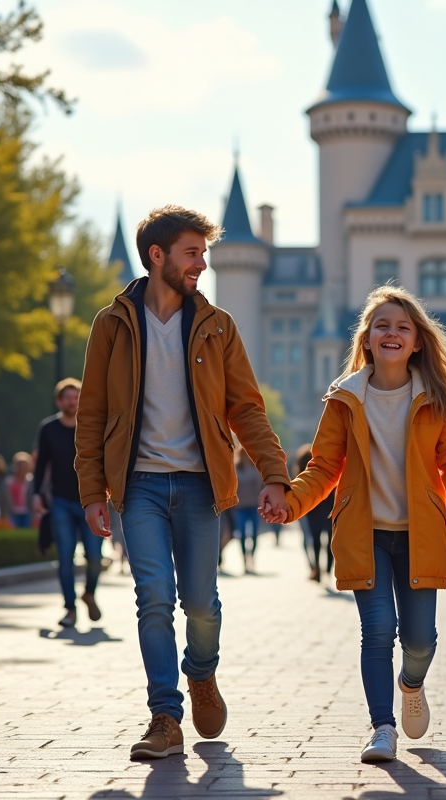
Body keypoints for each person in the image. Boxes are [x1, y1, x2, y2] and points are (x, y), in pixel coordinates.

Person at [75, 205, 290, 761]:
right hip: (139, 485)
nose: (202, 263)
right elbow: (93, 414)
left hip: (199, 485)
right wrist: (92, 491)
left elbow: (247, 408)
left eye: (203, 253)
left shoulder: (219, 326)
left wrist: (274, 475)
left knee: (202, 606)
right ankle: (165, 717)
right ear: (158, 256)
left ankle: (201, 673)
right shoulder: (112, 324)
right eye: (192, 253)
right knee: (153, 599)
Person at [269, 285, 446, 764]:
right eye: (381, 324)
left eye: (403, 326)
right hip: (366, 534)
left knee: (420, 641)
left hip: (420, 534)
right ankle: (382, 727)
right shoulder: (344, 399)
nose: (392, 333)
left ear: (418, 341)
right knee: (378, 630)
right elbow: (323, 467)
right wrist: (291, 504)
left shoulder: (436, 401)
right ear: (366, 339)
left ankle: (412, 683)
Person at [33, 379, 103, 628]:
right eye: (67, 397)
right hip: (61, 500)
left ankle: (89, 593)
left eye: (76, 397)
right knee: (65, 556)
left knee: (95, 556)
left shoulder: (93, 425)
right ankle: (70, 608)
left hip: (92, 500)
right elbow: (41, 465)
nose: (72, 401)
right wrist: (36, 494)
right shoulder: (48, 428)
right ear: (59, 401)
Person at [296, 444, 334, 583]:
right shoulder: (326, 469)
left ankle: (315, 568)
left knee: (314, 540)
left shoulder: (302, 475)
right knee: (330, 540)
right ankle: (328, 569)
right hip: (329, 508)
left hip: (312, 510)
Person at [233, 448, 263, 575]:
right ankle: (245, 559)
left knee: (255, 534)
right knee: (242, 534)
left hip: (254, 505)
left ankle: (252, 556)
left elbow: (260, 485)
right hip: (240, 506)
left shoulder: (255, 467)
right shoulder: (236, 468)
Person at [7, 452, 34, 529]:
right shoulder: (9, 482)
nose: (22, 469)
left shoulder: (31, 481)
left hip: (27, 513)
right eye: (19, 466)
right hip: (13, 513)